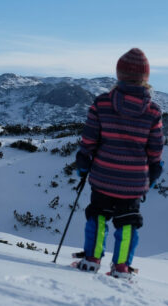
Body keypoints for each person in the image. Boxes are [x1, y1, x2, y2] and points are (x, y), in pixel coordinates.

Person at [75, 48, 164, 278]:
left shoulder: (102, 103)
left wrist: (84, 160)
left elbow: (89, 138)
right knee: (127, 224)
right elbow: (155, 149)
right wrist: (154, 171)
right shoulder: (153, 112)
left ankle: (92, 259)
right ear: (145, 78)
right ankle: (122, 267)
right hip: (133, 182)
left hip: (103, 176)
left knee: (98, 217)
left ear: (119, 75)